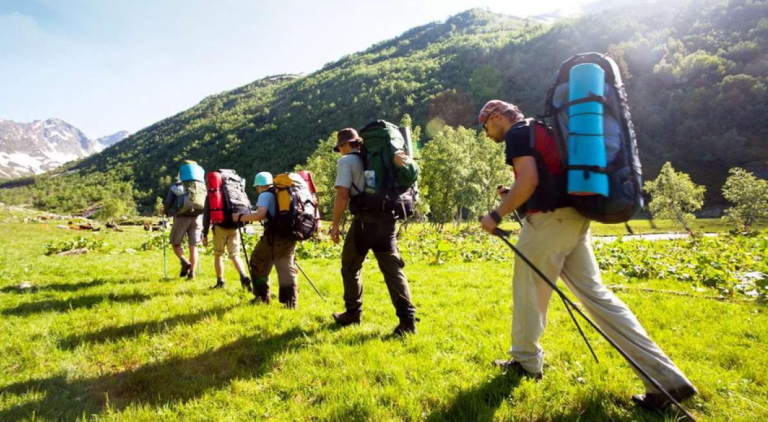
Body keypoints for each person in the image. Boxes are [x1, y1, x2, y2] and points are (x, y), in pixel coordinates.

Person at [477, 100, 696, 410]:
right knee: (598, 298)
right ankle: (667, 379)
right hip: (575, 219)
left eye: (485, 125)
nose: (486, 132)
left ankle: (526, 363)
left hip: (549, 223)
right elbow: (543, 176)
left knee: (528, 292)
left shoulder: (517, 133)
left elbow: (529, 180)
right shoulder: (542, 128)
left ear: (497, 117)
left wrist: (496, 214)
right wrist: (514, 194)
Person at [329, 128, 417, 336]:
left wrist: (334, 225)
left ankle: (352, 313)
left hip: (364, 223)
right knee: (393, 271)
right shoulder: (375, 157)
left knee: (350, 267)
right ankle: (408, 321)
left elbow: (342, 195)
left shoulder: (346, 161)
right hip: (387, 221)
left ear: (344, 145)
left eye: (339, 147)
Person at [234, 172, 299, 308]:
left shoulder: (265, 195)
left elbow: (260, 215)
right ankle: (291, 303)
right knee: (286, 267)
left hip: (274, 237)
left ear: (259, 186)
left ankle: (262, 297)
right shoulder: (284, 192)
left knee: (258, 261)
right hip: (290, 234)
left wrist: (240, 217)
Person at [202, 193, 251, 291]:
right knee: (235, 255)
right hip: (234, 226)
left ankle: (220, 282)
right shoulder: (235, 191)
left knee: (218, 254)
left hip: (220, 226)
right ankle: (243, 275)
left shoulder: (213, 192)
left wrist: (205, 233)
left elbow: (207, 215)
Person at [163, 163, 203, 280]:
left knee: (175, 243)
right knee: (193, 246)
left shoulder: (177, 186)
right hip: (197, 218)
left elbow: (168, 203)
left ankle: (184, 261)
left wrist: (165, 211)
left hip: (181, 218)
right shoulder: (201, 186)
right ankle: (191, 274)